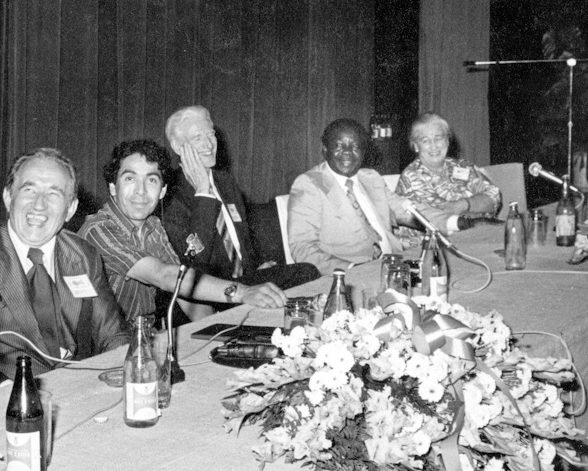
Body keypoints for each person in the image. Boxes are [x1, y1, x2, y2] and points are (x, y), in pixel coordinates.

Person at [0, 148, 129, 400]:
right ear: (8, 197)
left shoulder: (83, 255)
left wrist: (129, 368)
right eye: (29, 190)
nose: (39, 204)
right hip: (3, 402)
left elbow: (112, 334)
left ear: (71, 209)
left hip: (77, 394)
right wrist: (16, 395)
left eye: (54, 194)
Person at [78, 139, 285, 327]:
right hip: (103, 348)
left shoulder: (153, 226)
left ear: (162, 191)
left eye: (151, 180)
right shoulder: (99, 229)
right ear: (113, 187)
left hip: (143, 338)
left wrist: (222, 329)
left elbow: (182, 290)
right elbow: (164, 275)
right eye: (130, 179)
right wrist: (242, 292)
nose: (140, 191)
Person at [160, 106, 319, 319]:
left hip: (245, 280)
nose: (209, 145)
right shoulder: (170, 195)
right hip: (212, 294)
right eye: (198, 138)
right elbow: (194, 259)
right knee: (304, 274)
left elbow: (241, 239)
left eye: (211, 135)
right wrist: (203, 193)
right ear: (178, 147)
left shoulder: (224, 181)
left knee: (306, 275)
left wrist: (256, 268)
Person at [288, 118, 459, 274]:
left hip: (396, 264)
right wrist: (350, 270)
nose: (347, 152)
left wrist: (456, 222)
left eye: (355, 147)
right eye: (339, 145)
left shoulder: (371, 178)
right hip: (351, 275)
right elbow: (302, 248)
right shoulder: (310, 184)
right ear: (325, 150)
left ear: (364, 152)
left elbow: (408, 210)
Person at [396, 112, 500, 216]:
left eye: (438, 138)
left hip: (478, 228)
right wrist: (477, 204)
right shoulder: (411, 177)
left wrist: (463, 205)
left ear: (447, 141)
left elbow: (494, 196)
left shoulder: (463, 166)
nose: (434, 146)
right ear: (416, 146)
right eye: (425, 141)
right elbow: (443, 216)